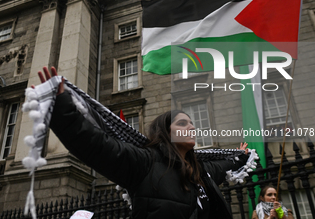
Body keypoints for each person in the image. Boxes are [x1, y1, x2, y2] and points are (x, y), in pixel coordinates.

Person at [37, 67, 249, 219]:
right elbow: (96, 145)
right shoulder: (146, 162)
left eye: (192, 123)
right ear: (166, 133)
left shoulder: (202, 170)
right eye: (183, 123)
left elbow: (226, 165)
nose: (192, 127)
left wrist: (240, 156)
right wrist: (62, 109)